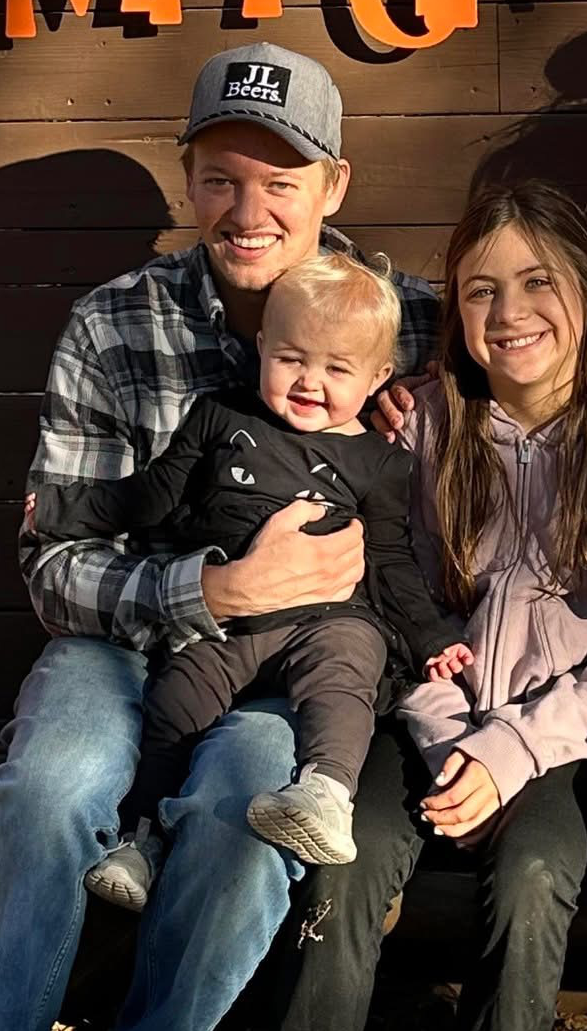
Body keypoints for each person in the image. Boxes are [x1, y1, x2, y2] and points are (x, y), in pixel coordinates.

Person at [0, 42, 441, 1031]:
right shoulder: (116, 325)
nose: (247, 210)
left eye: (280, 182)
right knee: (47, 792)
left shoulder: (414, 324)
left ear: (334, 184)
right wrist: (211, 589)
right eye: (219, 179)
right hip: (121, 649)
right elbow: (53, 564)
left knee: (248, 812)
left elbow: (553, 382)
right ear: (188, 179)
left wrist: (434, 417)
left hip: (287, 672)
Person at [273, 181, 587, 1031]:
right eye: (481, 290)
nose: (510, 312)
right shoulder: (422, 427)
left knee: (534, 874)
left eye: (538, 282)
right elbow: (384, 600)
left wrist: (507, 753)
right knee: (343, 858)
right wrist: (449, 737)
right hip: (424, 722)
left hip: (567, 743)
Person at [31, 253, 470, 907]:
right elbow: (149, 497)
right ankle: (141, 838)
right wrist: (59, 509)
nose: (310, 381)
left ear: (379, 376)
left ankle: (326, 794)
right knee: (174, 702)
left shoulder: (379, 463)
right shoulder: (219, 418)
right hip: (233, 623)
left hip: (329, 620)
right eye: (291, 358)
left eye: (337, 369)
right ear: (261, 346)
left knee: (347, 668)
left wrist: (432, 637)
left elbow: (390, 561)